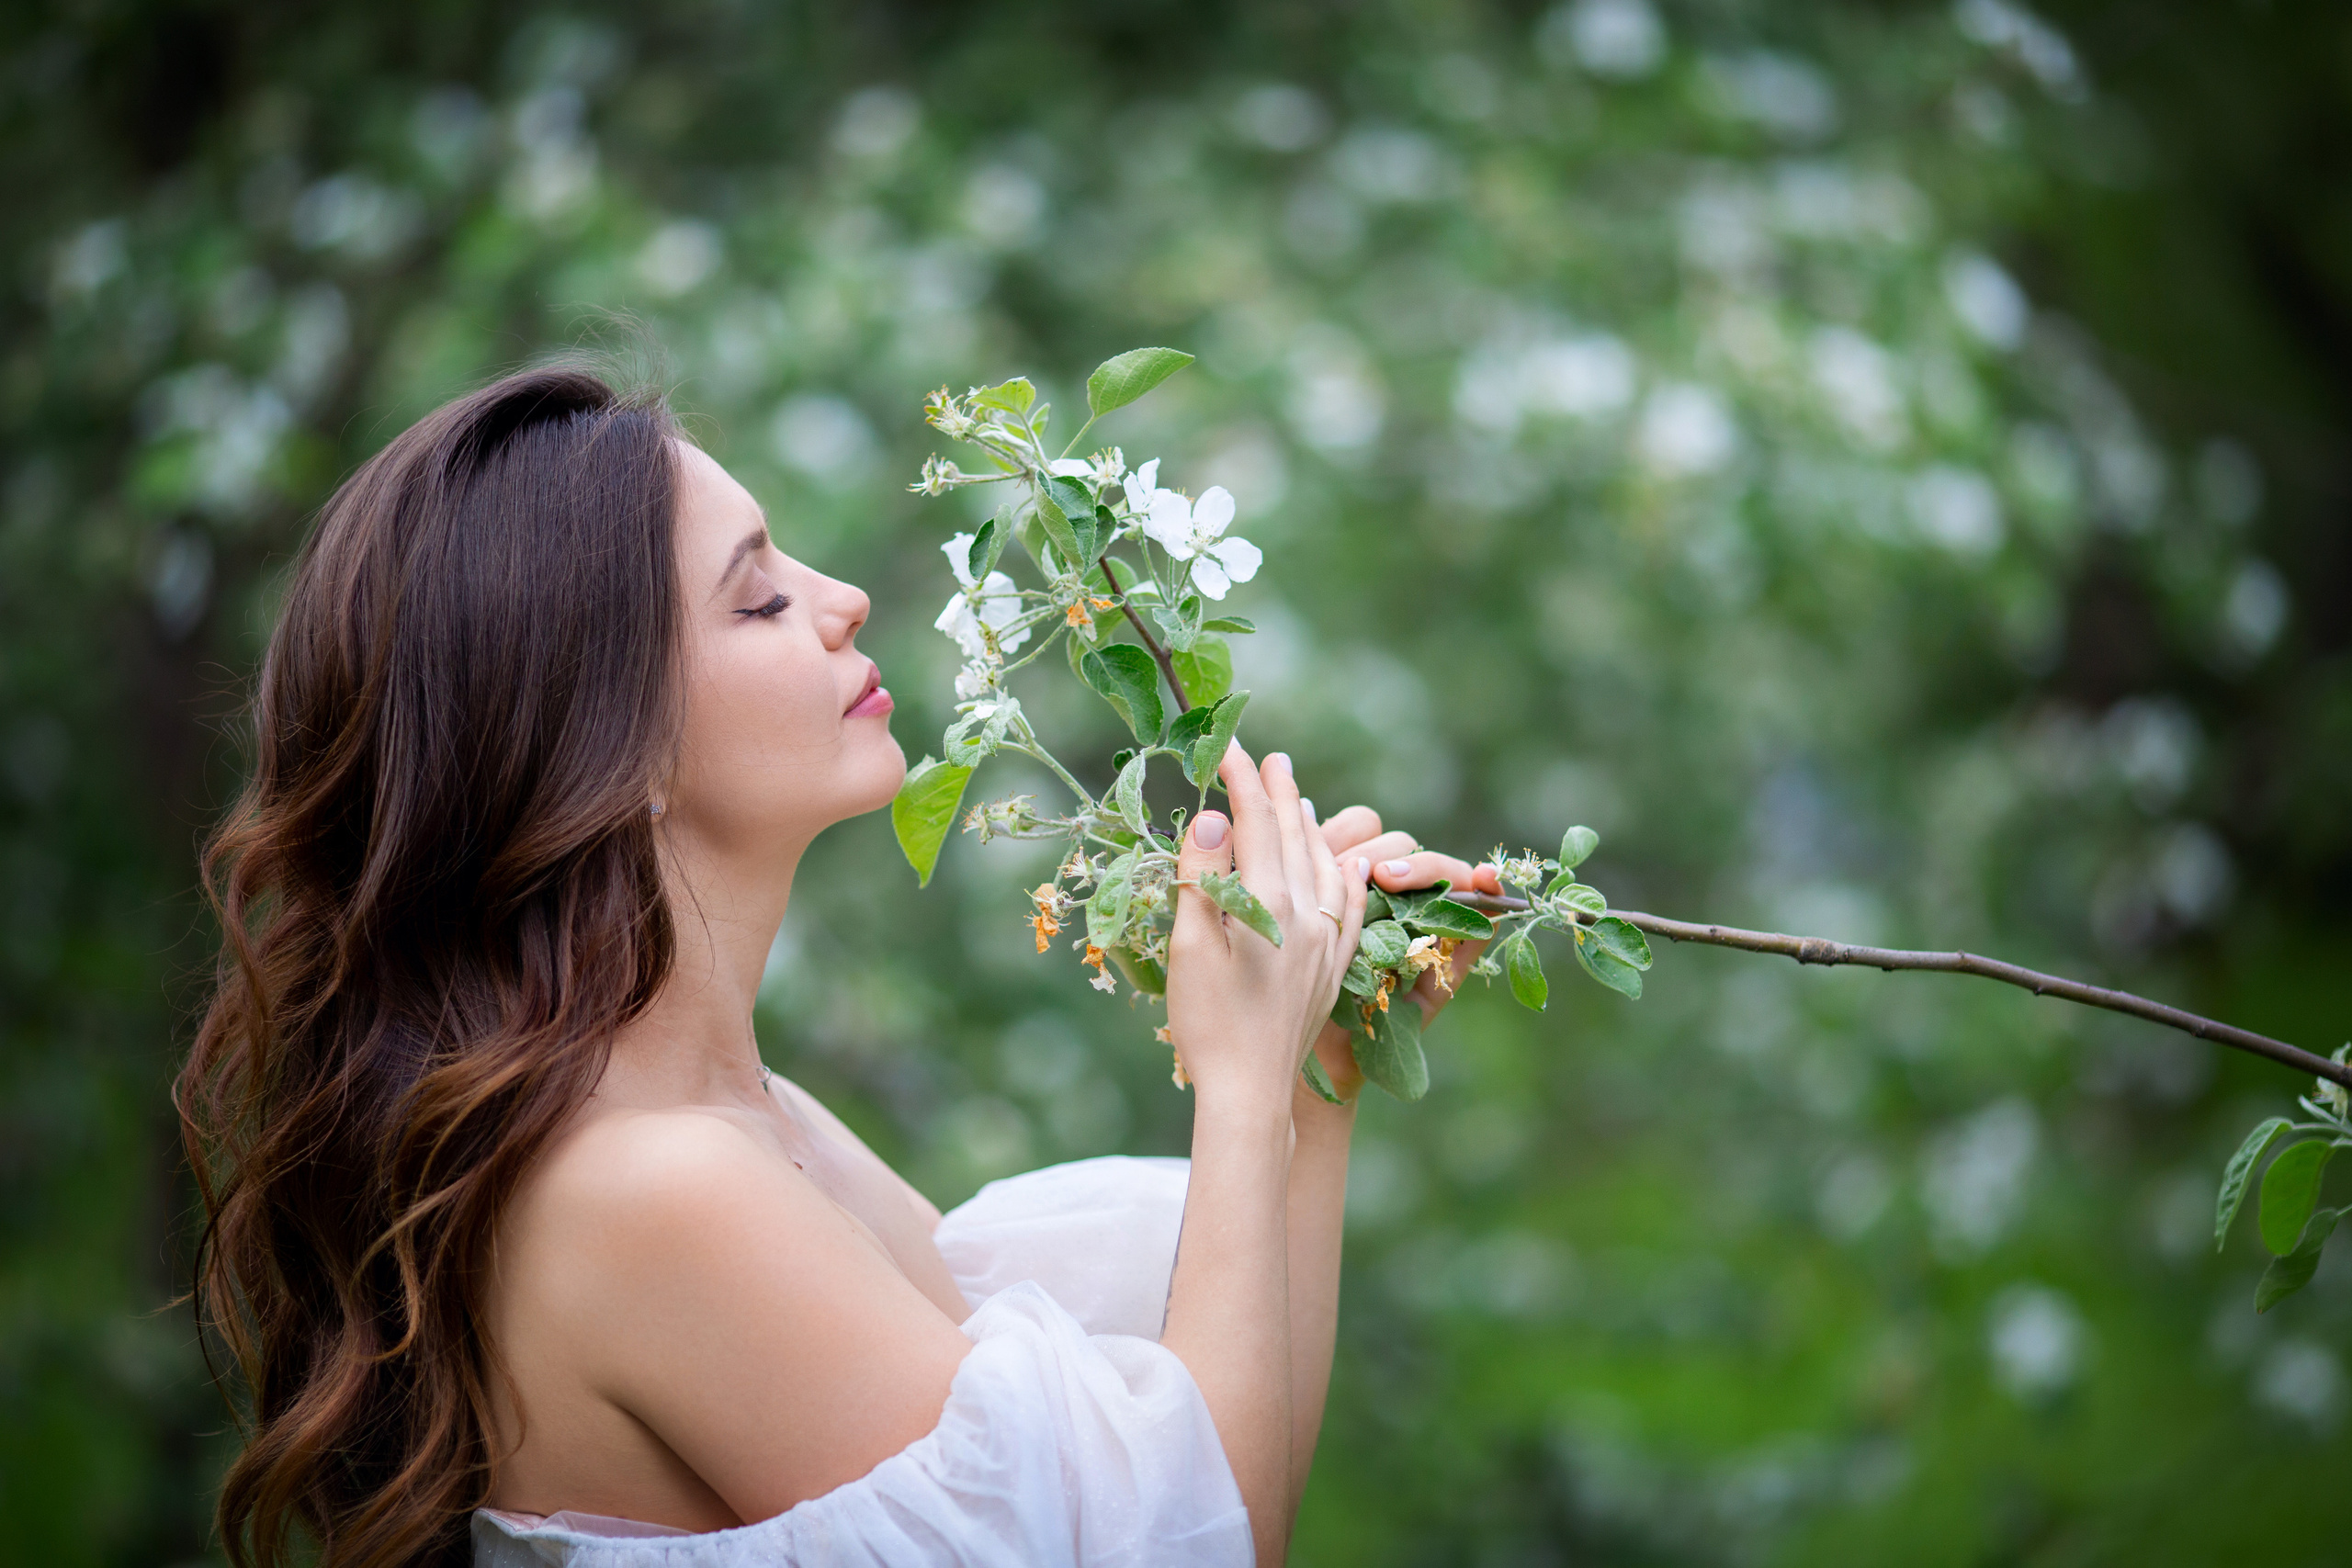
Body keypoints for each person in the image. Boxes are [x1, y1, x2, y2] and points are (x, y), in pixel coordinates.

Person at [177, 366, 1500, 1568]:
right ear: (601, 744)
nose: (842, 599)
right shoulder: (651, 1186)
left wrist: (1314, 1073)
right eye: (756, 596)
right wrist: (1236, 1078)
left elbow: (1200, 1482)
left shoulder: (745, 1121)